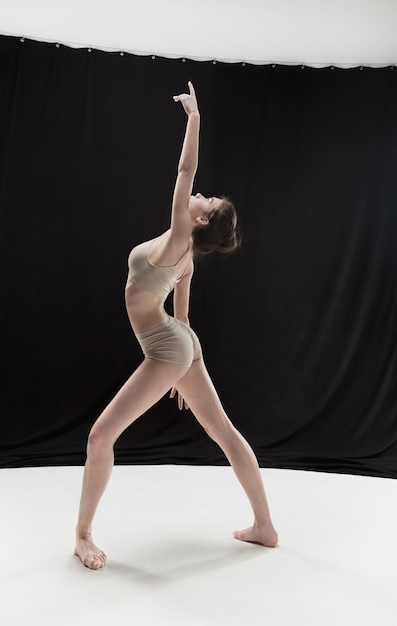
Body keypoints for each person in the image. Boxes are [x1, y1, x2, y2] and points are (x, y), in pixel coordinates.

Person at [74, 82, 278, 569]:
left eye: (204, 202)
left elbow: (187, 169)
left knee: (100, 438)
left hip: (167, 347)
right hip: (178, 342)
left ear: (201, 222)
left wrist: (194, 120)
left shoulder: (178, 240)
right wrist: (182, 375)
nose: (198, 195)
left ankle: (82, 535)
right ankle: (264, 526)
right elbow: (183, 318)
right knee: (225, 432)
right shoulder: (184, 255)